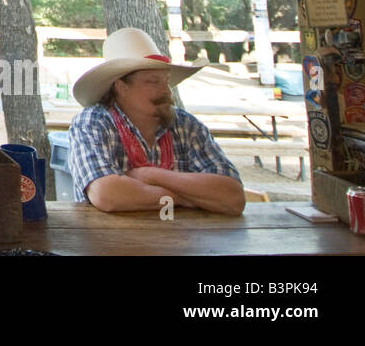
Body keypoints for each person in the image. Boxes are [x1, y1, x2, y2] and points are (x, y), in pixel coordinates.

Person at [67, 28, 245, 215]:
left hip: (181, 242)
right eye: (153, 82)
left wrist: (150, 175)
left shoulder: (186, 126)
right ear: (121, 87)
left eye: (166, 81)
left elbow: (233, 198)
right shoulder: (93, 123)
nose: (166, 91)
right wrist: (186, 197)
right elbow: (107, 195)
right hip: (112, 242)